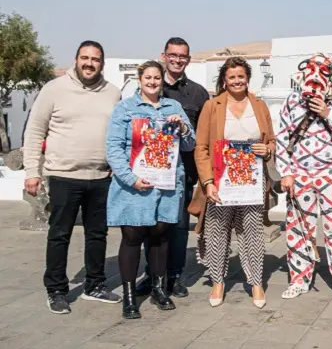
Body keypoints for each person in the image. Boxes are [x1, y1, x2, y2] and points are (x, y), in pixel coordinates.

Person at [23, 40, 122, 314]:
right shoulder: (53, 90)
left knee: (97, 235)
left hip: (101, 177)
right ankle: (56, 290)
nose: (90, 63)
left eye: (96, 59)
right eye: (85, 58)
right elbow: (34, 131)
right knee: (59, 235)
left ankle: (95, 285)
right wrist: (32, 172)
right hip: (63, 176)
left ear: (102, 63)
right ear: (76, 59)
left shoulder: (112, 93)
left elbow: (119, 134)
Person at [105, 61, 196, 319]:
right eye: (148, 77)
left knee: (161, 236)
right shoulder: (124, 109)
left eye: (157, 78)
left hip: (166, 185)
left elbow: (190, 144)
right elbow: (113, 148)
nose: (153, 82)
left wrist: (184, 128)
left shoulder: (174, 107)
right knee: (132, 237)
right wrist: (130, 178)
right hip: (135, 187)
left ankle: (158, 289)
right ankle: (130, 296)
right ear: (139, 79)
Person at [189, 57, 276, 309]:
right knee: (217, 230)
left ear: (247, 77)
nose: (237, 81)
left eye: (241, 76)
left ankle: (256, 282)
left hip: (252, 181)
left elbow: (271, 141)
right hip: (221, 181)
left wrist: (266, 148)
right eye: (231, 77)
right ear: (224, 80)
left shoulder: (258, 105)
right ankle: (218, 281)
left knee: (253, 231)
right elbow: (202, 147)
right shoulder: (212, 106)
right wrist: (207, 182)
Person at [276, 53, 332, 303]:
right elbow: (282, 138)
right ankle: (299, 279)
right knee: (298, 228)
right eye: (311, 70)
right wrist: (285, 172)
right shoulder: (292, 102)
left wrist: (327, 113)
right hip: (299, 173)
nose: (316, 75)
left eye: (322, 70)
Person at [135, 37, 209, 298]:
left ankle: (174, 276)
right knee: (150, 223)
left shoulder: (198, 94)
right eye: (173, 55)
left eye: (183, 56)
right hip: (148, 172)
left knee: (177, 226)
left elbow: (203, 137)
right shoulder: (151, 86)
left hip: (182, 173)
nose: (177, 60)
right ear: (164, 55)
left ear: (188, 59)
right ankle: (152, 274)